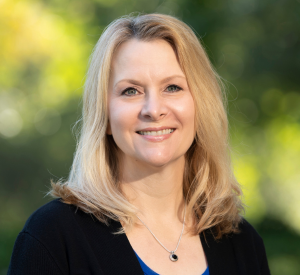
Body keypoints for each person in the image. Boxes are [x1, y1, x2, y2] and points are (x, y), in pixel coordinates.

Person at [8, 13, 271, 275]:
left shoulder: (242, 243)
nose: (154, 110)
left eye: (172, 87)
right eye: (131, 91)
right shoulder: (52, 236)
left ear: (200, 106)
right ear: (106, 116)